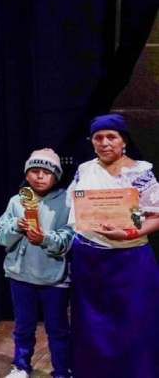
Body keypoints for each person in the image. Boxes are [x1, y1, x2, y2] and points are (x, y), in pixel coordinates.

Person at [65, 114, 159, 378]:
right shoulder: (85, 170)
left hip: (129, 261)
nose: (104, 143)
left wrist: (127, 234)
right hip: (89, 260)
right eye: (98, 137)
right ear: (92, 141)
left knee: (133, 320)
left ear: (123, 141)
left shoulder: (140, 173)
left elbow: (156, 217)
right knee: (91, 322)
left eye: (111, 137)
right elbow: (76, 206)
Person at [0, 149, 72, 378]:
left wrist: (45, 238)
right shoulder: (16, 201)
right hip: (21, 276)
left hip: (55, 279)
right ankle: (21, 367)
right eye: (34, 171)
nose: (40, 176)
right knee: (23, 326)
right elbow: (0, 236)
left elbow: (70, 236)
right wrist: (16, 226)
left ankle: (62, 371)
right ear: (26, 174)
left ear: (56, 177)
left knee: (57, 329)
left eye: (46, 172)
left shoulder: (67, 202)